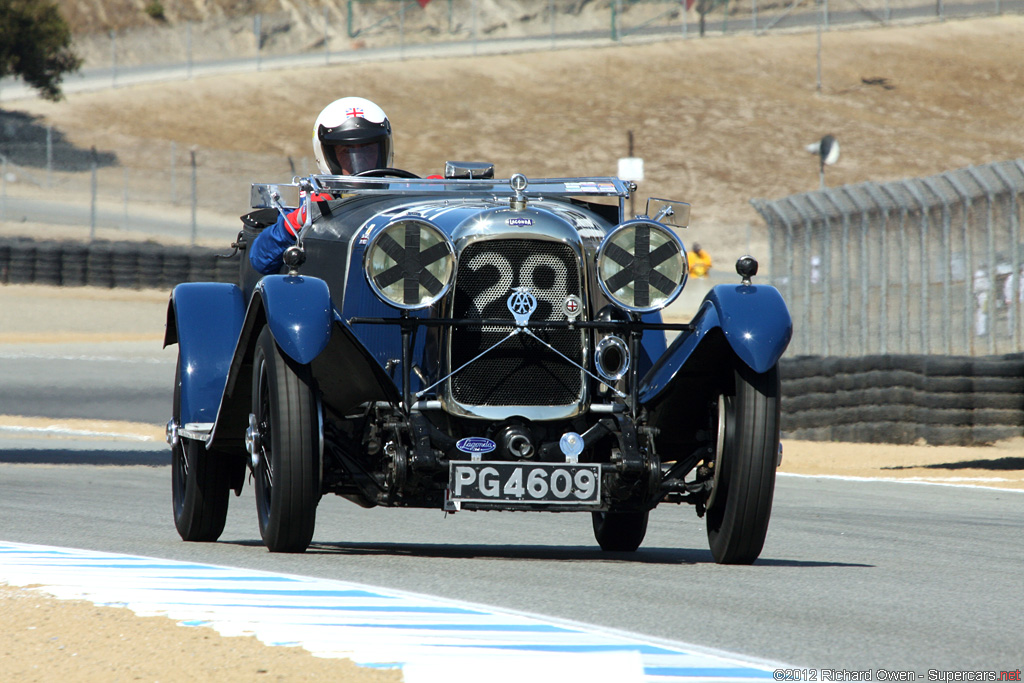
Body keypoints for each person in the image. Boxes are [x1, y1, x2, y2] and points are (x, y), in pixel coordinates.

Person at [249, 97, 393, 275]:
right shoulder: (309, 197)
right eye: (346, 152)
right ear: (327, 155)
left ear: (383, 150)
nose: (359, 160)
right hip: (327, 291)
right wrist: (297, 220)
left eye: (368, 149)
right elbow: (259, 259)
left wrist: (434, 198)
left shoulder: (400, 195)